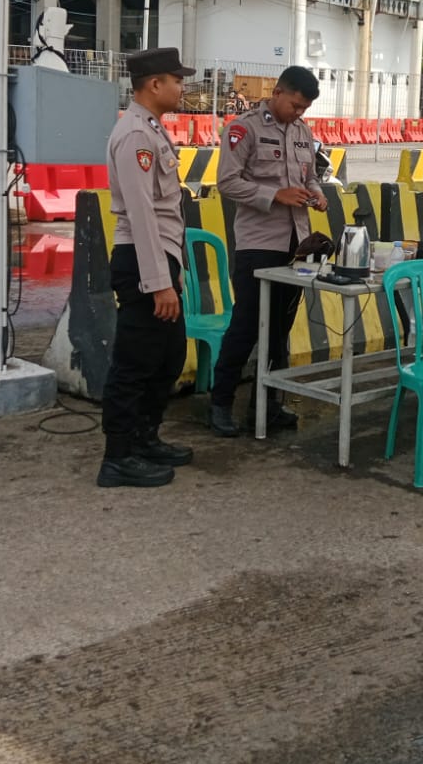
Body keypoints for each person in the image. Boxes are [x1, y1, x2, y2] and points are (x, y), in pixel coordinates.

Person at [208, 66, 328, 436]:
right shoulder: (243, 129)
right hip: (258, 244)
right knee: (246, 326)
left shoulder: (303, 132)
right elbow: (227, 182)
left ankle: (268, 405)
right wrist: (274, 195)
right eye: (295, 105)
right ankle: (220, 403)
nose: (299, 113)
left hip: (295, 244)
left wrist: (316, 193)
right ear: (277, 93)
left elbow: (310, 176)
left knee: (280, 330)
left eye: (304, 108)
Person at [99, 47, 199, 487]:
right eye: (176, 80)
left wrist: (170, 272)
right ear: (154, 84)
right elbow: (141, 214)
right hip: (141, 261)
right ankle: (118, 456)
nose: (182, 87)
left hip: (158, 258)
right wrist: (159, 283)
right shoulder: (136, 134)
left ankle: (145, 436)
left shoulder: (152, 128)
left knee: (167, 358)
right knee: (135, 363)